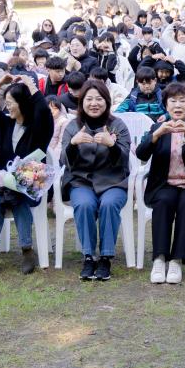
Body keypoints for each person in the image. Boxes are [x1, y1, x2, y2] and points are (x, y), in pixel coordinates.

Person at [135, 82, 185, 284]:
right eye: (172, 101)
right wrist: (156, 135)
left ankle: (177, 260)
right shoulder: (157, 128)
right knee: (163, 201)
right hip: (164, 184)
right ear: (166, 105)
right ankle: (159, 258)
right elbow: (141, 155)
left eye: (183, 100)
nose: (178, 105)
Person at [0, 75, 53, 275]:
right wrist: (0, 82)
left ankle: (27, 250)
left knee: (17, 197)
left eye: (11, 102)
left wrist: (30, 84)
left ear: (23, 103)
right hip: (1, 183)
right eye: (6, 102)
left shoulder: (38, 128)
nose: (7, 106)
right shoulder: (3, 124)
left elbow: (44, 110)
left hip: (29, 185)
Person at [59, 80, 130, 281]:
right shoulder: (72, 126)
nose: (94, 103)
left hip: (113, 181)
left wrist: (112, 145)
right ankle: (89, 257)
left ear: (107, 101)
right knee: (84, 204)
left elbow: (125, 159)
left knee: (109, 204)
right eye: (89, 99)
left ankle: (106, 257)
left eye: (99, 99)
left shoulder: (117, 125)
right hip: (81, 181)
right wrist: (73, 144)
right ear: (81, 102)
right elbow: (63, 161)